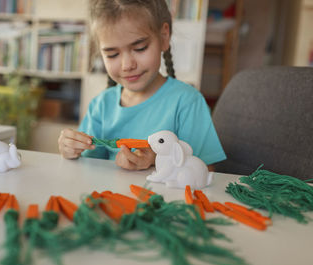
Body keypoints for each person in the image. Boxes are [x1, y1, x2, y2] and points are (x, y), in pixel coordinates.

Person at [58, 0, 226, 171]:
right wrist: (72, 149)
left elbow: (205, 170)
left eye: (140, 48)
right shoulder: (101, 105)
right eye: (112, 54)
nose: (127, 65)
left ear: (164, 37)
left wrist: (156, 160)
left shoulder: (187, 102)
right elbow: (89, 168)